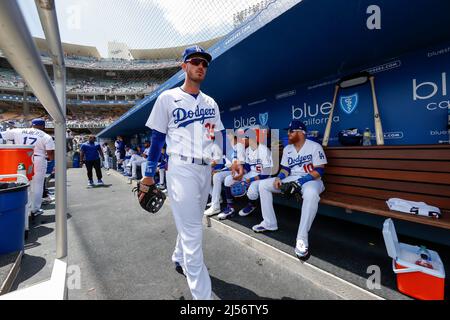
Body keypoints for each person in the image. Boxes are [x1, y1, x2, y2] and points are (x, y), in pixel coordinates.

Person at [140, 45, 224, 300]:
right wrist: (149, 174)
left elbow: (216, 135)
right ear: (184, 66)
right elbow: (157, 139)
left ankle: (178, 257)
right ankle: (203, 298)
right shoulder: (168, 97)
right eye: (195, 61)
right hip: (181, 168)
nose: (201, 66)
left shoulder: (211, 102)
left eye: (204, 63)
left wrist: (219, 160)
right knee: (193, 234)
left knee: (192, 224)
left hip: (204, 170)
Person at [253, 120, 327, 260]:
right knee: (263, 185)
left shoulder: (314, 146)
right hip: (291, 179)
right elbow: (286, 169)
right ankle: (269, 223)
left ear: (301, 132)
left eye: (291, 131)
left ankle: (302, 239)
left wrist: (300, 182)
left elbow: (320, 170)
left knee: (311, 194)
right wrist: (279, 178)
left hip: (311, 180)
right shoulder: (288, 149)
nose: (288, 134)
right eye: (288, 131)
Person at [0, 118, 55, 217]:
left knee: (24, 182)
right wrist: (50, 159)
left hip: (21, 157)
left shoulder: (18, 130)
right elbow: (50, 153)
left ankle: (25, 207)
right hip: (38, 158)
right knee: (37, 185)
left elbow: (2, 134)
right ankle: (34, 209)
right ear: (43, 126)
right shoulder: (46, 136)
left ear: (32, 125)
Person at [219, 128, 273, 219]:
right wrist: (242, 174)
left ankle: (252, 204)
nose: (242, 140)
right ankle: (230, 207)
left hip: (263, 177)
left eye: (244, 138)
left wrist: (250, 180)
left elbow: (267, 172)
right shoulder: (247, 150)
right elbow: (248, 167)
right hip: (251, 174)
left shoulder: (264, 150)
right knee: (229, 179)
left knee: (252, 191)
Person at [204, 129, 245, 216]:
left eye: (227, 136)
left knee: (221, 177)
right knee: (217, 176)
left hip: (238, 172)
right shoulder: (228, 149)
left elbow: (238, 165)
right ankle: (215, 205)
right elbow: (228, 166)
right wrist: (219, 170)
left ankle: (225, 206)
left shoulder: (239, 145)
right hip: (230, 171)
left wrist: (222, 170)